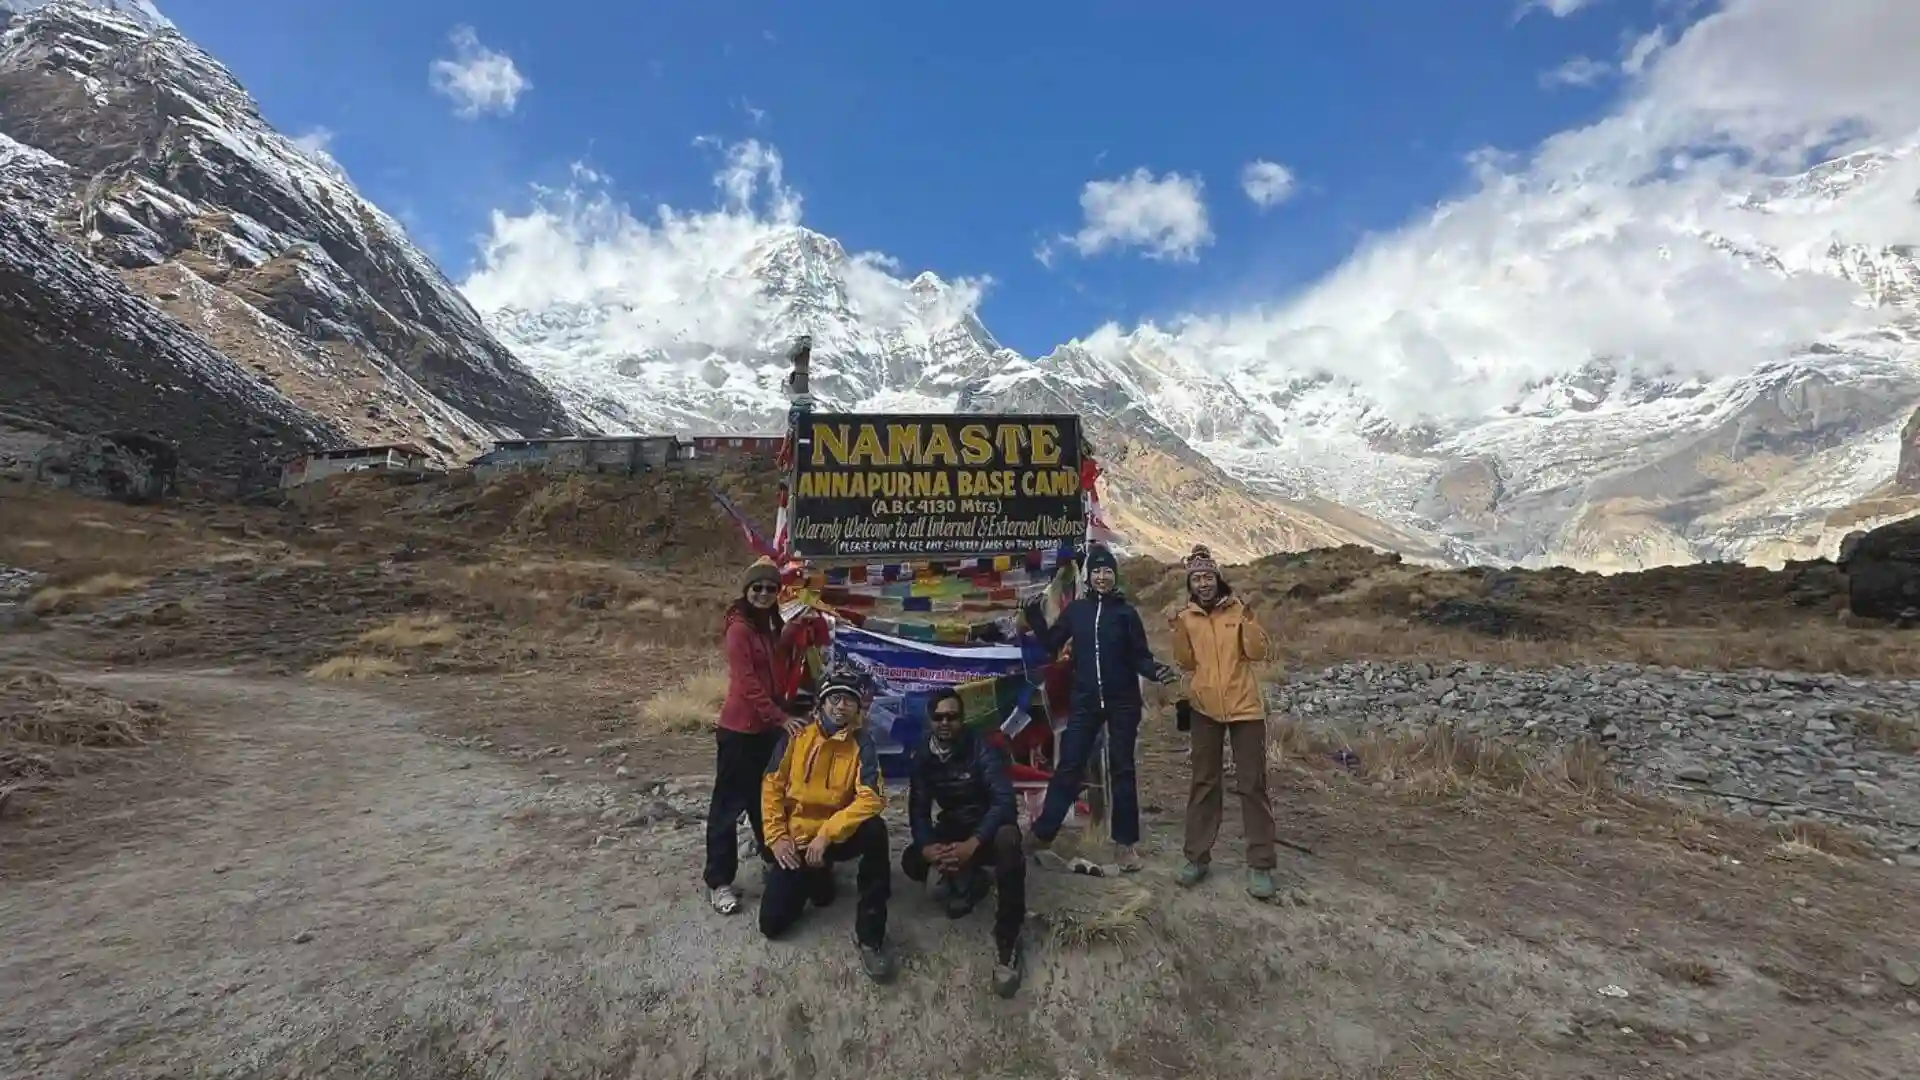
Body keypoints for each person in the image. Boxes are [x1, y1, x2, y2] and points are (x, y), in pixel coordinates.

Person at [1023, 543, 1179, 872]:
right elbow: (1053, 645)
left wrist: (1155, 671)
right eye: (1097, 572)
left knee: (1122, 770)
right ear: (1089, 576)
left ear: (1114, 575)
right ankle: (1043, 832)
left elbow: (1139, 655)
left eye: (1108, 571)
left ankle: (1125, 846)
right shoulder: (1077, 611)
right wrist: (1036, 617)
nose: (1103, 577)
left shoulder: (1126, 614)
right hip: (1085, 701)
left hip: (1123, 702)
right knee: (1069, 765)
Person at [760, 668, 897, 983]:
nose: (841, 706)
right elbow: (771, 788)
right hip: (796, 838)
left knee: (875, 829)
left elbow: (871, 798)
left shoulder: (862, 743)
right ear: (821, 703)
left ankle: (871, 935)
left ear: (858, 708)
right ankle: (815, 876)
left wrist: (826, 834)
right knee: (772, 925)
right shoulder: (796, 737)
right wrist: (777, 838)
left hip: (834, 835)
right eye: (834, 698)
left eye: (849, 700)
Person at [704, 556, 818, 916]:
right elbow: (748, 684)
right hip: (741, 730)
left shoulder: (766, 625)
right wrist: (780, 717)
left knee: (765, 798)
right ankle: (719, 881)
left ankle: (771, 857)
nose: (765, 593)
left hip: (765, 729)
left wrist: (792, 631)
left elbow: (775, 660)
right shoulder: (739, 628)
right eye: (758, 587)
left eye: (771, 588)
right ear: (747, 590)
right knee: (727, 806)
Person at [1167, 545, 1280, 900]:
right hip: (1204, 708)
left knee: (1253, 784)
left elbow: (1259, 654)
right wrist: (1175, 629)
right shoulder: (1186, 617)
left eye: (1208, 576)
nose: (1203, 583)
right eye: (1197, 578)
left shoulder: (1238, 610)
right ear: (1190, 583)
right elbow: (1186, 663)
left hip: (1245, 708)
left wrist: (1248, 620)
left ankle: (1260, 864)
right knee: (1203, 783)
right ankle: (1197, 858)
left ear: (1218, 578)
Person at [903, 688, 1026, 997]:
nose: (945, 723)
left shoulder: (982, 748)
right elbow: (918, 809)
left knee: (1010, 839)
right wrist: (929, 847)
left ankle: (1008, 939)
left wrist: (973, 843)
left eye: (952, 716)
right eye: (939, 717)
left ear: (962, 719)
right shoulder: (923, 756)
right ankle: (972, 883)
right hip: (953, 828)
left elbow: (1004, 803)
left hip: (986, 829)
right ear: (930, 720)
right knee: (912, 861)